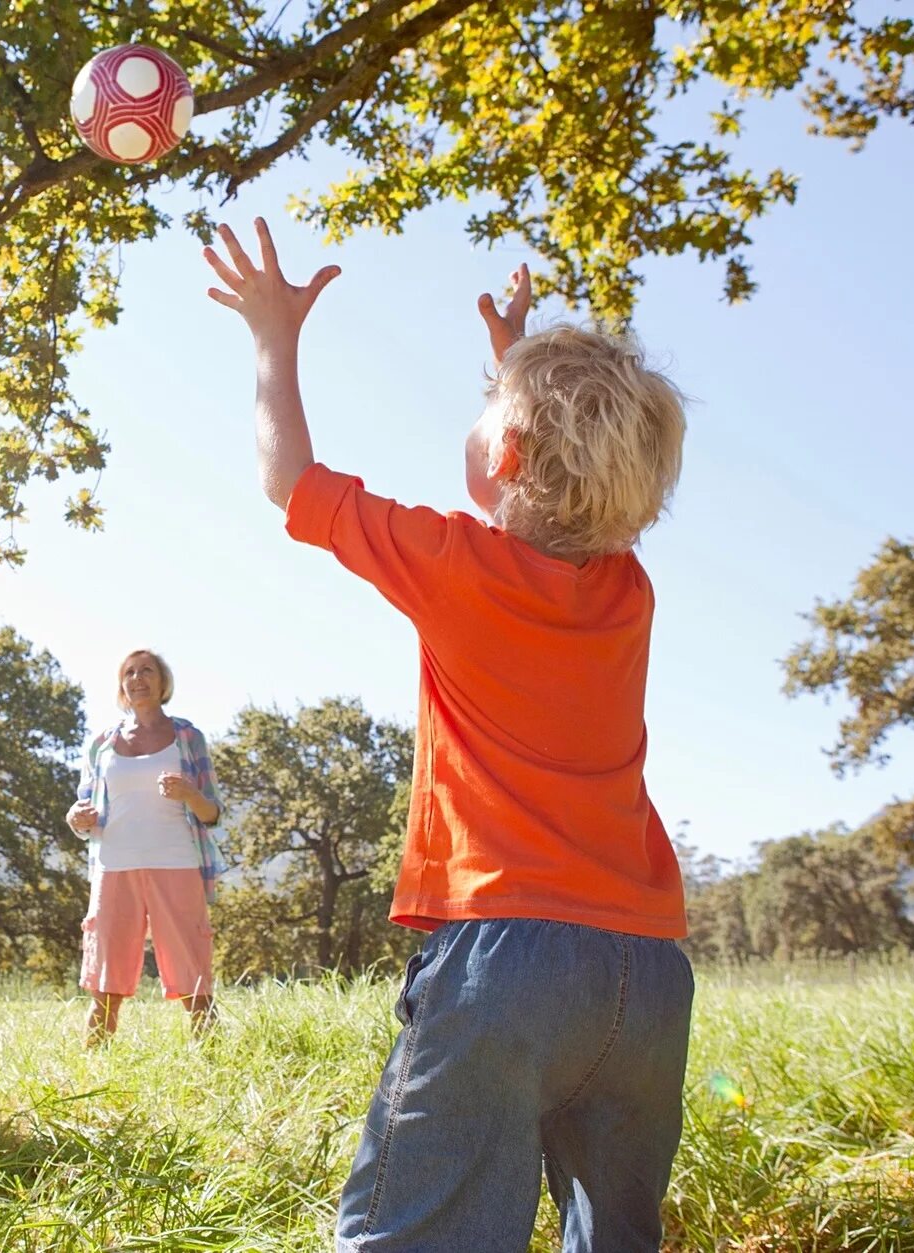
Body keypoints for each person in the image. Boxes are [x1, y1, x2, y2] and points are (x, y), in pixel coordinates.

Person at [205, 219, 692, 1252]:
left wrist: (272, 336)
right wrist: (512, 362)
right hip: (644, 972)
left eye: (487, 409)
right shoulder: (627, 590)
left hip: (505, 957)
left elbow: (286, 477)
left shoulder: (452, 561)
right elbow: (562, 480)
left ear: (504, 450)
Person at [67, 648, 226, 1044]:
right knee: (104, 979)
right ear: (122, 686)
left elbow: (212, 813)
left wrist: (190, 794)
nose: (138, 678)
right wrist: (76, 819)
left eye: (147, 671)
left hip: (176, 862)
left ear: (162, 682)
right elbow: (82, 808)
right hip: (113, 866)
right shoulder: (101, 743)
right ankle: (92, 1064)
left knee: (194, 973)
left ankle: (211, 1059)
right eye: (130, 672)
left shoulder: (188, 738)